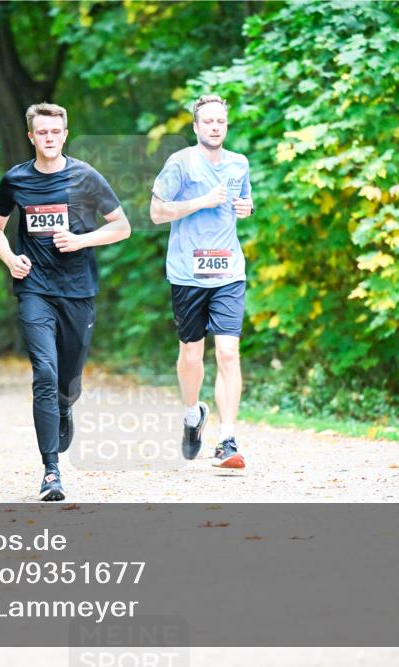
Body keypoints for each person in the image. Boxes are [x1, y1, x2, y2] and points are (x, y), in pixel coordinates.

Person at [0, 102, 131, 501]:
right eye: (42, 133)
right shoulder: (15, 180)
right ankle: (52, 471)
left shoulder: (85, 177)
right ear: (31, 136)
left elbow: (122, 227)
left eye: (56, 132)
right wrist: (10, 258)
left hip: (78, 290)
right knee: (44, 374)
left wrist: (82, 240)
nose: (49, 139)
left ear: (65, 134)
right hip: (35, 288)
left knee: (67, 379)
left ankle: (66, 407)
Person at [149, 94, 253, 470]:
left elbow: (243, 201)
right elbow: (157, 212)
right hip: (187, 273)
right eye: (207, 121)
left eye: (220, 122)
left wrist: (247, 207)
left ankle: (227, 439)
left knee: (228, 352)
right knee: (192, 355)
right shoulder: (180, 163)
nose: (214, 127)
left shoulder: (239, 164)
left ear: (226, 125)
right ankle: (193, 415)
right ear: (195, 127)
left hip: (228, 272)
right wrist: (201, 201)